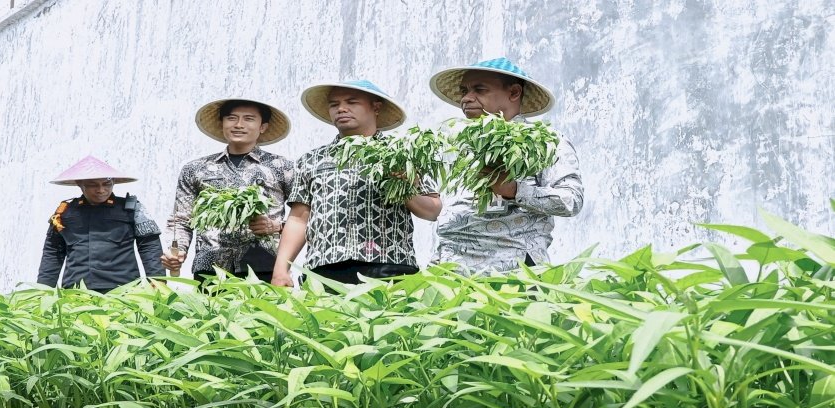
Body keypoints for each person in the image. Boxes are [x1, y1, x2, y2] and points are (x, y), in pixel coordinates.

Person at [272, 80, 442, 286]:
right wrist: (281, 269)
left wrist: (402, 188)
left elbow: (432, 211)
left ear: (376, 107)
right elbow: (299, 218)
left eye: (352, 102)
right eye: (334, 104)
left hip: (389, 266)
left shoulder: (404, 154)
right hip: (323, 268)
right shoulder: (311, 160)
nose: (341, 109)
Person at [429, 57, 584, 272]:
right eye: (464, 90)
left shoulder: (546, 141)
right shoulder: (457, 144)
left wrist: (515, 190)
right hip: (451, 269)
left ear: (513, 93)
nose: (466, 98)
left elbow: (572, 200)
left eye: (479, 90)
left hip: (512, 273)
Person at [162, 98, 294, 285]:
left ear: (262, 127)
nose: (239, 125)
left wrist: (277, 226)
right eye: (232, 118)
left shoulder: (282, 167)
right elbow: (181, 219)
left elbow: (307, 218)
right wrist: (177, 250)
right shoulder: (196, 169)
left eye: (249, 119)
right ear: (222, 123)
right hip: (210, 267)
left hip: (264, 265)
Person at [36, 156, 165, 292]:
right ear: (80, 184)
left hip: (124, 292)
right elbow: (52, 253)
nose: (101, 190)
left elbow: (150, 248)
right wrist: (42, 291)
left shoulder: (132, 209)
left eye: (106, 184)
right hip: (76, 293)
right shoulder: (63, 213)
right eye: (93, 185)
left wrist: (158, 285)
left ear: (114, 182)